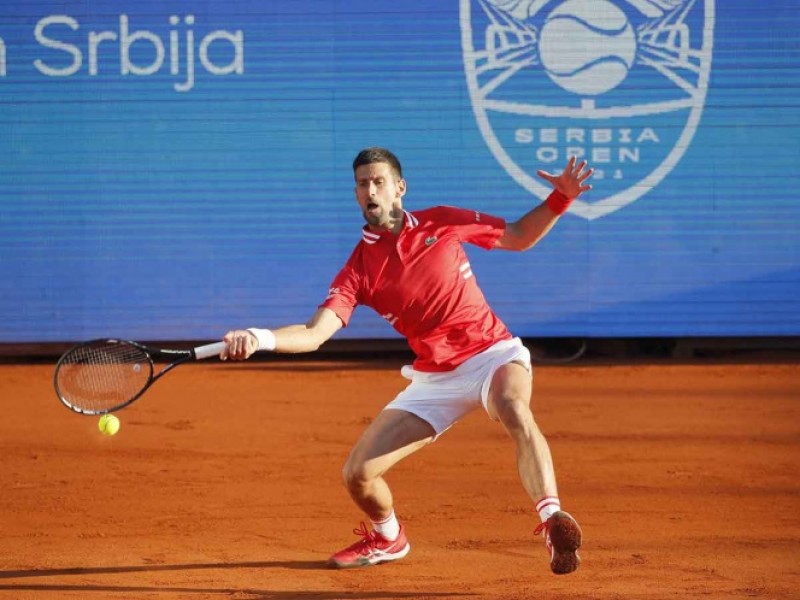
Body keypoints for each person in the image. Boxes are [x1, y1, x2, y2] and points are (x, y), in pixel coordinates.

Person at [220, 147, 593, 574]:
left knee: (513, 407)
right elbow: (314, 333)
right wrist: (259, 337)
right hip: (436, 379)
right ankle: (388, 537)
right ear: (356, 194)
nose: (370, 191)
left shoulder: (442, 221)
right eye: (362, 184)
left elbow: (520, 235)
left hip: (492, 353)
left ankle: (553, 522)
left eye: (378, 182)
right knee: (358, 474)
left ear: (399, 188)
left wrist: (561, 198)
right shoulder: (359, 269)